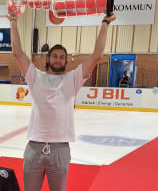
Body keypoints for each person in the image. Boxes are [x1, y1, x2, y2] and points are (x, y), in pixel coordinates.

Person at [7, 11, 116, 191]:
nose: (58, 59)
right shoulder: (34, 76)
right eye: (55, 56)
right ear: (48, 58)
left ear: (66, 60)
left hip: (60, 149)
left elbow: (96, 55)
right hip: (34, 147)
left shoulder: (73, 79)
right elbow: (17, 53)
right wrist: (13, 21)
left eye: (62, 57)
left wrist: (105, 24)